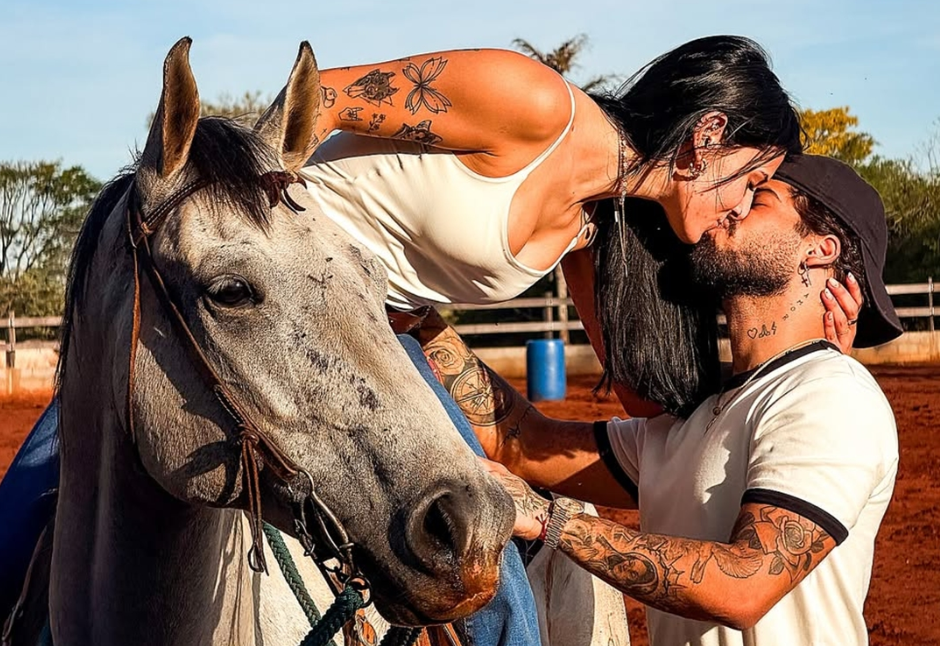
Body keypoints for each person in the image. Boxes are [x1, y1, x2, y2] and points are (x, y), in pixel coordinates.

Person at [1, 37, 863, 645]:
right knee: (22, 514)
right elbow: (321, 94)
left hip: (375, 334)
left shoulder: (595, 235)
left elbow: (659, 418)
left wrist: (804, 360)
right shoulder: (533, 103)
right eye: (751, 178)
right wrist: (269, 234)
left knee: (493, 591)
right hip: (256, 290)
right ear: (707, 136)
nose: (741, 205)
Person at [454, 154, 902, 645]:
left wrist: (549, 521)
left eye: (759, 196)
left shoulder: (829, 391)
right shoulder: (692, 416)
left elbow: (746, 586)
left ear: (818, 249)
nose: (731, 205)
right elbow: (523, 441)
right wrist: (412, 318)